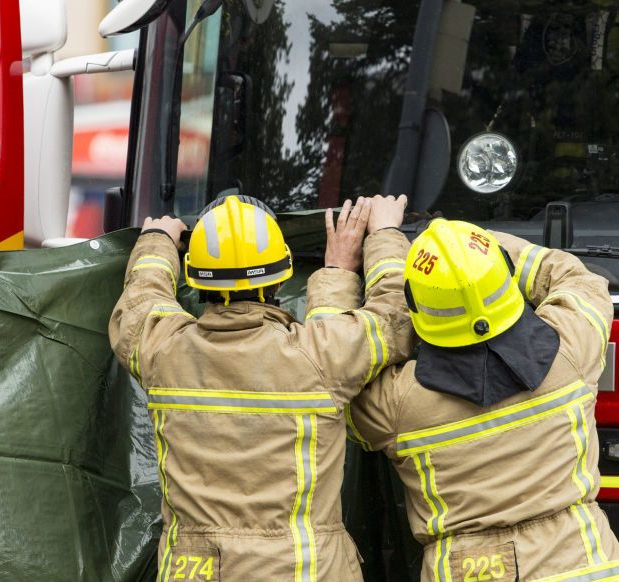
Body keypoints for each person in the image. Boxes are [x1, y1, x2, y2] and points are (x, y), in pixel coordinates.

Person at [109, 194, 414, 581]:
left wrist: (157, 240)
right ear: (282, 274)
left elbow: (139, 304)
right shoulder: (320, 355)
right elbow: (396, 315)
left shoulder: (162, 350)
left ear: (194, 276)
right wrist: (379, 237)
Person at [346, 219, 619, 582]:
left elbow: (337, 367)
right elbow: (577, 279)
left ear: (418, 305)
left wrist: (384, 247)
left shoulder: (397, 403)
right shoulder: (571, 347)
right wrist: (476, 245)